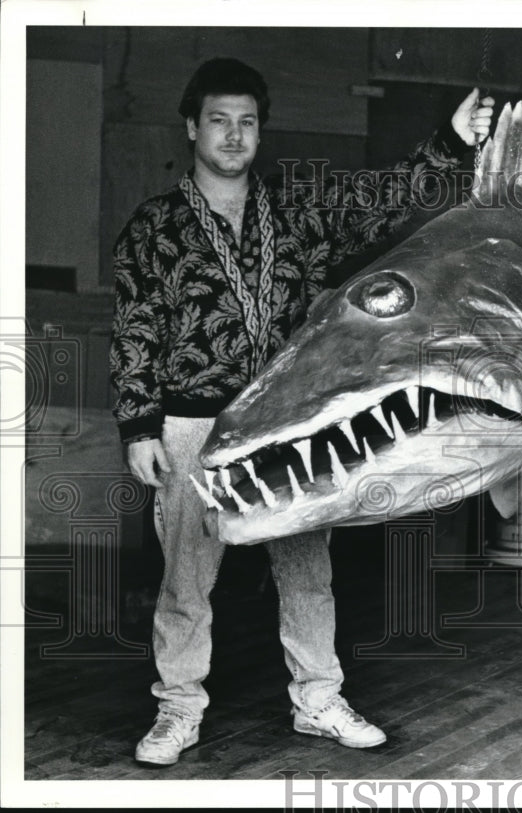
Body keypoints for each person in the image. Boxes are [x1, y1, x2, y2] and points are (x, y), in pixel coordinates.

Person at [109, 57, 494, 767]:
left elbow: (377, 201)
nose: (233, 135)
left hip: (289, 422)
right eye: (219, 121)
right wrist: (139, 424)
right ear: (192, 127)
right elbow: (136, 327)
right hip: (193, 425)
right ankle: (178, 708)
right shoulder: (154, 226)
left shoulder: (294, 212)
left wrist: (451, 139)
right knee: (186, 576)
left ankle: (318, 698)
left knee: (306, 567)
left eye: (247, 122)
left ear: (261, 132)